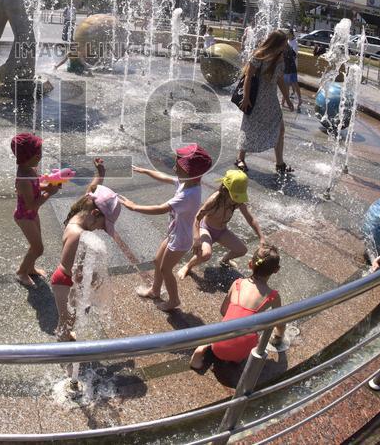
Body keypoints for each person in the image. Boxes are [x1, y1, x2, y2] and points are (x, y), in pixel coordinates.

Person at [121, 144, 212, 312]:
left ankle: (174, 300)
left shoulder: (188, 195)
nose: (173, 169)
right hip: (174, 232)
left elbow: (160, 208)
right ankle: (155, 290)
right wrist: (146, 171)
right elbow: (165, 177)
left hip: (181, 238)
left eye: (178, 168)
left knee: (166, 269)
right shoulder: (188, 183)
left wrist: (134, 207)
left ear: (191, 174)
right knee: (158, 261)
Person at [189, 243, 286, 373]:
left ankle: (202, 348)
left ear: (250, 264)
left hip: (218, 347)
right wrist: (279, 337)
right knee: (249, 337)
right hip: (242, 352)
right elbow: (280, 323)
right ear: (277, 270)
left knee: (218, 329)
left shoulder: (238, 284)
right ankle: (236, 359)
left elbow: (223, 311)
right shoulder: (273, 296)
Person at [51, 158, 119, 340]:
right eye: (102, 225)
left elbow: (91, 191)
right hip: (64, 281)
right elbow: (69, 266)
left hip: (69, 280)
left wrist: (100, 175)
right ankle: (62, 343)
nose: (100, 229)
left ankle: (64, 334)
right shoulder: (77, 234)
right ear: (95, 214)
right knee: (68, 319)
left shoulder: (83, 210)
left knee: (70, 317)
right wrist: (89, 281)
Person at [177, 169, 265, 279]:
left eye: (238, 196)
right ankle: (188, 266)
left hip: (221, 231)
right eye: (235, 196)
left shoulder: (238, 202)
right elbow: (197, 218)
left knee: (242, 250)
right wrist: (196, 238)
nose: (236, 200)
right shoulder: (214, 200)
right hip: (206, 229)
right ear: (225, 189)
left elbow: (250, 219)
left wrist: (261, 237)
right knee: (206, 254)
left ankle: (225, 260)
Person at [236, 29, 294, 175]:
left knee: (280, 129)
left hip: (271, 100)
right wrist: (246, 98)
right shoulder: (259, 55)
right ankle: (240, 158)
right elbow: (248, 77)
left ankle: (280, 164)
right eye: (284, 42)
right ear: (276, 43)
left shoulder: (280, 57)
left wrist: (287, 99)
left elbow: (280, 79)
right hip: (256, 99)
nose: (286, 45)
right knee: (249, 127)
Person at [11, 133, 62, 287]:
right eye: (37, 153)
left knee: (36, 244)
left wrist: (48, 185)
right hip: (24, 216)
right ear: (27, 156)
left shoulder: (30, 169)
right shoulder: (22, 180)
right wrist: (49, 193)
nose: (40, 155)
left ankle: (30, 268)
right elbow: (31, 205)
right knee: (38, 248)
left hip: (31, 215)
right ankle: (21, 273)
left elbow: (36, 185)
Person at [282, 28, 301, 111]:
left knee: (287, 84)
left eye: (288, 34)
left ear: (291, 34)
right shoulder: (288, 42)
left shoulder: (294, 43)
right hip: (290, 66)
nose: (287, 36)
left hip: (290, 66)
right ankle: (298, 99)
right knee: (292, 83)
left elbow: (294, 54)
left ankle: (284, 101)